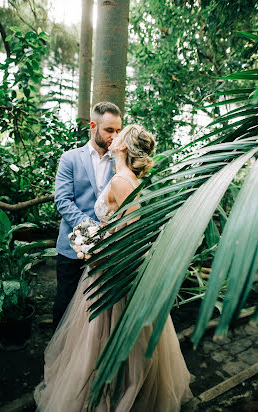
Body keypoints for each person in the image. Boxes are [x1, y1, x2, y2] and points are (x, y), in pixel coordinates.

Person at [35, 124, 192, 411]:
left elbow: (132, 232)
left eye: (118, 134)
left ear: (123, 145)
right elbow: (118, 225)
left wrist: (95, 248)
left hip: (111, 271)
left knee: (102, 336)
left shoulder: (122, 180)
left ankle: (113, 392)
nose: (113, 136)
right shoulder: (125, 178)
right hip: (108, 265)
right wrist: (90, 238)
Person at [53, 101, 122, 328]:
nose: (115, 135)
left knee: (95, 308)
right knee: (66, 302)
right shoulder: (70, 158)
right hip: (72, 247)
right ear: (93, 126)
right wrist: (93, 230)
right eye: (109, 130)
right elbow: (62, 201)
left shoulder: (120, 162)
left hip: (108, 250)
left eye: (118, 130)